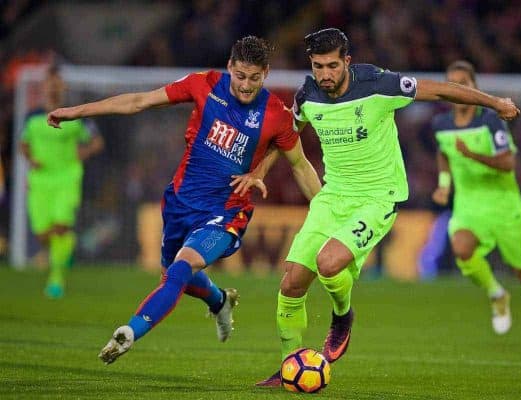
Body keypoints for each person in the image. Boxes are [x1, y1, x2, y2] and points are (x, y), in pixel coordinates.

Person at [256, 28, 521, 386]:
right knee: (290, 284)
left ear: (347, 61)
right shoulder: (308, 96)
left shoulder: (378, 84)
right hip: (333, 196)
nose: (325, 74)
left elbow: (439, 89)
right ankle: (289, 367)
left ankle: (342, 316)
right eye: (318, 66)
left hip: (378, 197)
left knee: (328, 263)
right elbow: (286, 136)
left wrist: (494, 102)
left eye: (332, 66)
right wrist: (258, 171)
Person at [47, 36, 322, 364]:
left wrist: (325, 213)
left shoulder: (275, 114)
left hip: (226, 211)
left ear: (266, 73)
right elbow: (138, 101)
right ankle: (220, 301)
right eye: (240, 76)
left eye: (255, 78)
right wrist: (76, 112)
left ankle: (130, 332)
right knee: (178, 277)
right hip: (180, 203)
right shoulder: (203, 85)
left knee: (180, 269)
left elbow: (300, 165)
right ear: (230, 67)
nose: (246, 86)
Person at [430, 60, 521, 356]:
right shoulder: (440, 124)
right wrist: (443, 184)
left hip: (505, 207)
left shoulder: (490, 120)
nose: (457, 89)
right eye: (452, 83)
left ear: (474, 87)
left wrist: (473, 155)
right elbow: (443, 152)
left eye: (462, 82)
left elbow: (508, 163)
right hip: (469, 205)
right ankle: (496, 292)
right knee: (462, 248)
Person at [21, 65, 104, 299]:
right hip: (40, 180)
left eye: (57, 83)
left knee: (60, 226)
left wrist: (82, 153)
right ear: (44, 87)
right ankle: (66, 246)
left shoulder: (74, 115)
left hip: (67, 177)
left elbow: (97, 142)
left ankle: (56, 278)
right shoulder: (32, 116)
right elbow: (23, 143)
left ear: (63, 87)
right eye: (50, 83)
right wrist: (31, 159)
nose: (53, 87)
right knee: (43, 235)